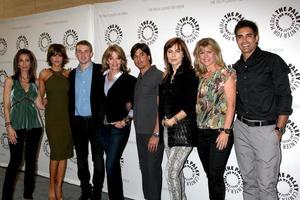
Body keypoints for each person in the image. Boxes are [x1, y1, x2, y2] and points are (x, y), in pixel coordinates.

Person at [233, 19, 293, 200]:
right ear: (236, 40)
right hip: (241, 128)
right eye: (240, 37)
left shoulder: (272, 61)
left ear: (256, 38)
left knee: (266, 185)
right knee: (248, 182)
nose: (244, 40)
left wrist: (279, 129)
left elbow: (285, 96)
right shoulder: (235, 67)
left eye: (249, 36)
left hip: (266, 129)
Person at [193, 38, 236, 200]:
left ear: (216, 53)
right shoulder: (200, 75)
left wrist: (226, 131)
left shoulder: (226, 73)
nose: (205, 56)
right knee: (210, 175)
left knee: (215, 175)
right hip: (201, 132)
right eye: (201, 52)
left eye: (209, 52)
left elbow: (231, 104)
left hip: (219, 132)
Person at [159, 37, 198, 200]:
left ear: (184, 54)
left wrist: (173, 120)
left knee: (171, 172)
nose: (173, 55)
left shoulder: (189, 74)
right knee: (177, 172)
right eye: (170, 51)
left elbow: (190, 105)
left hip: (184, 130)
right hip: (168, 130)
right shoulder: (167, 76)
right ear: (166, 54)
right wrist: (164, 119)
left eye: (177, 50)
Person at [2, 49, 43, 200]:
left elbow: (40, 105)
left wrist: (54, 97)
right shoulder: (10, 80)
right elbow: (6, 105)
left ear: (31, 62)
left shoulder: (36, 82)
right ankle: (6, 197)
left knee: (31, 163)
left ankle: (28, 195)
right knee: (15, 162)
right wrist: (8, 126)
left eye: (27, 60)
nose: (24, 63)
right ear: (17, 63)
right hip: (16, 126)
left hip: (35, 126)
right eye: (21, 60)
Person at [69, 40, 105, 200]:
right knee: (81, 160)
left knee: (98, 158)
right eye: (79, 51)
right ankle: (85, 189)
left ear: (91, 53)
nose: (83, 54)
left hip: (96, 123)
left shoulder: (101, 70)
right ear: (76, 54)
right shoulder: (71, 74)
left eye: (86, 51)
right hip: (78, 123)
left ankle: (97, 191)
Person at [100, 44, 136, 200]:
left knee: (110, 164)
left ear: (122, 60)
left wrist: (126, 120)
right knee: (113, 165)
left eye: (118, 58)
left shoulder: (130, 80)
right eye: (111, 58)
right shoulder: (101, 78)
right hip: (103, 128)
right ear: (107, 60)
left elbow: (136, 104)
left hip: (119, 128)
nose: (114, 61)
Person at [39, 44, 74, 200]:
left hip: (67, 119)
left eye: (59, 55)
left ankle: (59, 186)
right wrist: (41, 100)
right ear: (50, 57)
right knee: (55, 153)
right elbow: (39, 98)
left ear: (63, 57)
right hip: (53, 118)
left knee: (64, 154)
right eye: (53, 55)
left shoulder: (69, 74)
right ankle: (51, 186)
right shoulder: (44, 74)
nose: (56, 58)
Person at [130, 43, 164, 200]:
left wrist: (156, 133)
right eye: (135, 56)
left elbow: (161, 107)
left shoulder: (158, 75)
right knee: (145, 171)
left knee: (152, 172)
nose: (139, 59)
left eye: (141, 54)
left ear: (148, 56)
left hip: (152, 133)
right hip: (140, 132)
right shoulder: (140, 77)